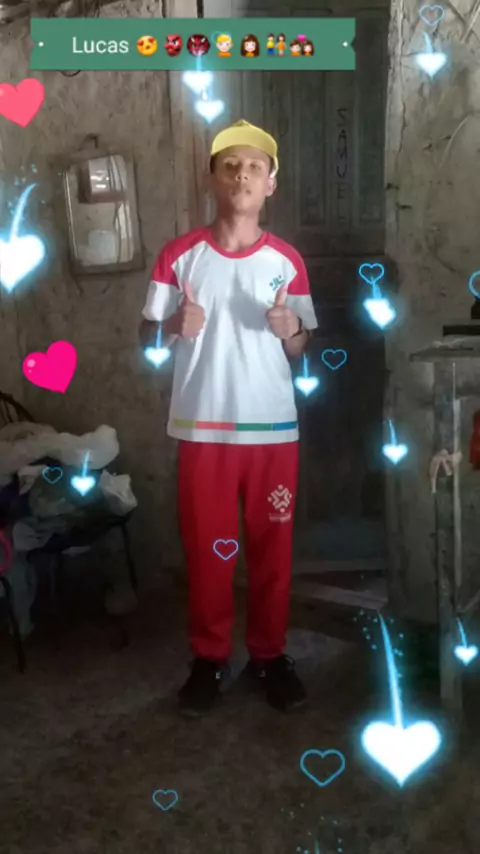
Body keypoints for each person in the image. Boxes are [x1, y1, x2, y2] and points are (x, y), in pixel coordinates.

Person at [140, 119, 318, 717]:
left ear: (271, 183)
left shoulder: (287, 261)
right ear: (211, 178)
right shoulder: (179, 257)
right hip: (203, 430)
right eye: (230, 166)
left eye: (254, 167)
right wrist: (172, 327)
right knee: (209, 554)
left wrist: (292, 329)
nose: (242, 175)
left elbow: (301, 349)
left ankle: (269, 656)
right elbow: (146, 338)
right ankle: (209, 659)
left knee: (272, 551)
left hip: (273, 432)